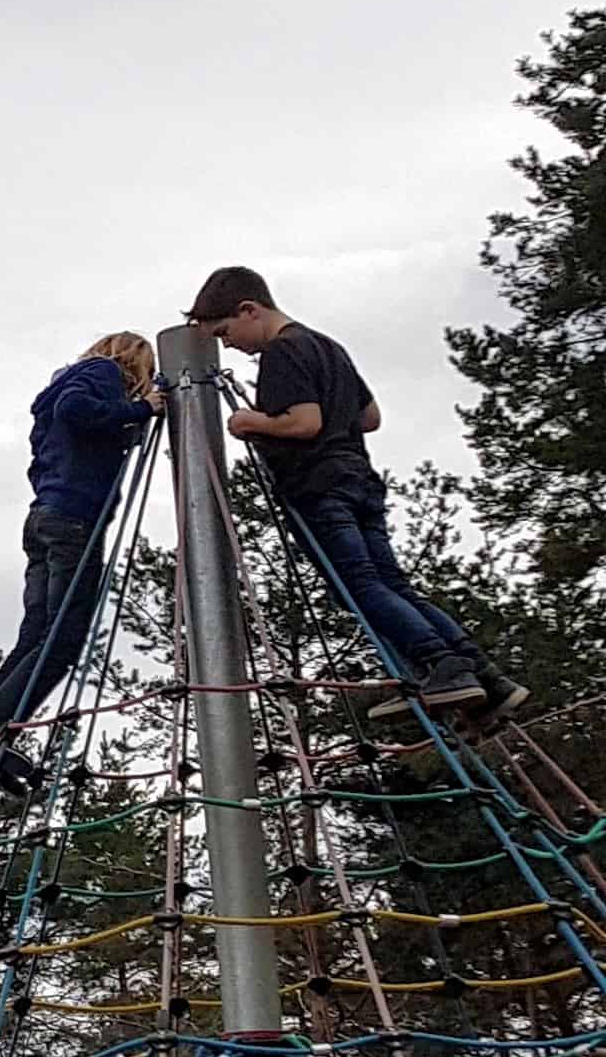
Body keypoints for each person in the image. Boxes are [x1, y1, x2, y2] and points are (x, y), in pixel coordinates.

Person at [190, 266, 525, 720]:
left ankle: (439, 664)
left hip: (319, 485)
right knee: (391, 583)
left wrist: (254, 423)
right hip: (359, 480)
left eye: (226, 332)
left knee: (358, 585)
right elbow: (369, 417)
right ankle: (484, 676)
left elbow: (306, 423)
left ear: (249, 310)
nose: (228, 345)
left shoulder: (281, 352)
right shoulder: (327, 346)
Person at [0, 336, 161, 792]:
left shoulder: (55, 398)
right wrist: (142, 409)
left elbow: (62, 442)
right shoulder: (101, 374)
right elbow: (78, 412)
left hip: (45, 516)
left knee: (37, 635)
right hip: (74, 520)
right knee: (63, 638)